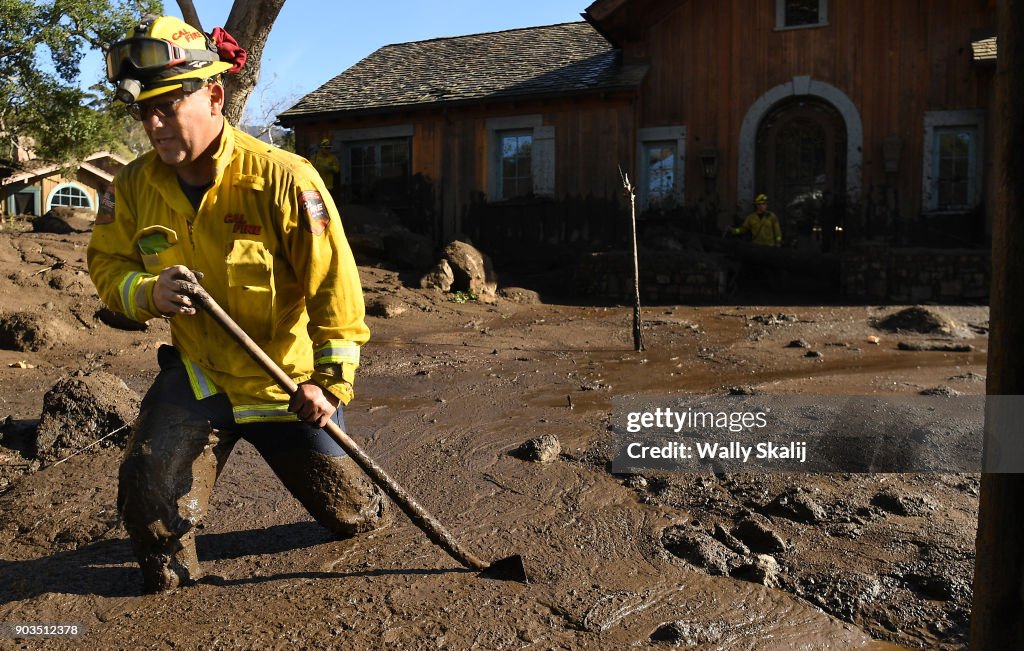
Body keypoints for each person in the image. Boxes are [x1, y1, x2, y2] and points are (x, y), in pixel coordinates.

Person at [88, 15, 389, 593]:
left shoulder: (283, 178)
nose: (152, 124)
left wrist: (329, 385)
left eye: (167, 105)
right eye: (142, 112)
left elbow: (335, 290)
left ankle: (356, 502)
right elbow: (106, 265)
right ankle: (172, 585)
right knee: (148, 494)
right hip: (200, 376)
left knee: (351, 516)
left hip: (286, 383)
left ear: (215, 96)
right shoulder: (129, 187)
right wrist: (147, 293)